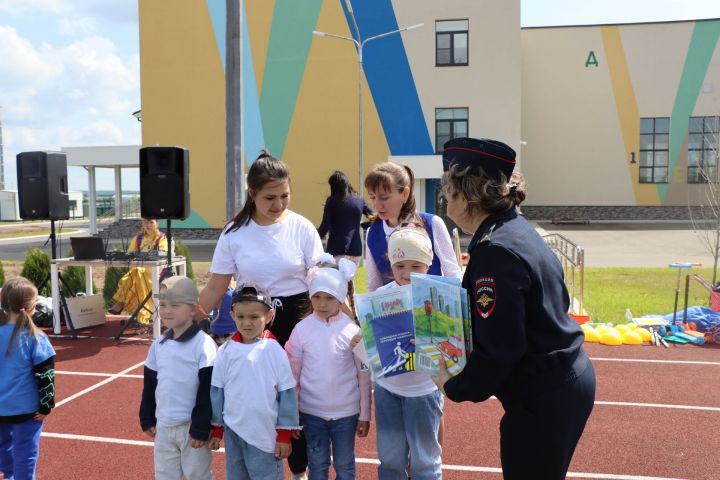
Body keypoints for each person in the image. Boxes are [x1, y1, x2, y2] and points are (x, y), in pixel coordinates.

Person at [432, 137, 596, 480]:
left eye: (449, 188)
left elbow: (502, 348)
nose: (445, 197)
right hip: (563, 378)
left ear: (468, 195)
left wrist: (455, 386)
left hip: (544, 394)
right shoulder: (514, 230)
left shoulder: (496, 251)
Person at [199, 150, 323, 479]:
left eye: (285, 196)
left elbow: (322, 279)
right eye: (270, 197)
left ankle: (299, 470)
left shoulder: (301, 227)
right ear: (251, 194)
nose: (279, 204)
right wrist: (190, 321)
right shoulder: (234, 233)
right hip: (252, 324)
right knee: (254, 397)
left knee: (295, 395)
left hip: (296, 322)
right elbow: (215, 287)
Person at [284, 254, 371, 480]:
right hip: (312, 413)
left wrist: (365, 414)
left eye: (330, 298)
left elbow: (364, 376)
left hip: (346, 414)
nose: (322, 304)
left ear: (341, 298)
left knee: (344, 466)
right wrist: (291, 414)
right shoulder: (301, 330)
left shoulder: (353, 331)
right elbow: (292, 375)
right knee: (318, 465)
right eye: (317, 297)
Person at [372, 227, 444, 480]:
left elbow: (452, 344)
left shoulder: (437, 296)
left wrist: (430, 340)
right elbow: (371, 343)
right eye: (400, 265)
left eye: (416, 265)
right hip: (387, 387)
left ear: (428, 264)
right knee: (390, 458)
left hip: (423, 389)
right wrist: (362, 338)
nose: (407, 273)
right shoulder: (380, 297)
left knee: (425, 460)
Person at [209, 283, 300, 480]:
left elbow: (287, 395)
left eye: (254, 317)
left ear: (268, 316)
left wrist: (285, 434)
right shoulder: (225, 351)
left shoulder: (274, 350)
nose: (246, 323)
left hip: (264, 435)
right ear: (232, 314)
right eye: (241, 317)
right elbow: (218, 391)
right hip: (234, 433)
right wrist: (217, 428)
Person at [139, 276, 218, 480]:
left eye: (175, 305)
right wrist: (147, 415)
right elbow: (150, 383)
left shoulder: (204, 344)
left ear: (193, 309)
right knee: (164, 475)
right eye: (163, 305)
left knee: (198, 475)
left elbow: (208, 389)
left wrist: (201, 427)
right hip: (164, 427)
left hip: (191, 428)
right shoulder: (159, 344)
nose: (166, 311)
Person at [364, 162, 461, 292]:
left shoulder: (432, 224)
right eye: (372, 197)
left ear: (405, 194)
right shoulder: (373, 233)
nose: (377, 205)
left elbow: (453, 274)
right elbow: (374, 285)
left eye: (384, 198)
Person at [0, 277, 56, 480]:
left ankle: (8, 476)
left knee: (4, 449)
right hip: (27, 411)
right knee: (25, 455)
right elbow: (46, 374)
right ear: (33, 307)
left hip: (1, 409)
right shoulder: (36, 337)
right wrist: (46, 406)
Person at [109, 218, 170, 324]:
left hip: (155, 273)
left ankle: (121, 303)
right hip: (138, 272)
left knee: (137, 274)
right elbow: (129, 254)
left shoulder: (162, 238)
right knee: (137, 274)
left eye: (151, 222)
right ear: (142, 224)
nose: (148, 225)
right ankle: (141, 316)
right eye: (146, 222)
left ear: (157, 224)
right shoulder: (138, 238)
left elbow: (162, 256)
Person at [317, 171, 372, 265]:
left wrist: (314, 238)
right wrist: (364, 225)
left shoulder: (331, 201)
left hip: (336, 249)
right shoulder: (359, 200)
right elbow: (373, 217)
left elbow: (324, 226)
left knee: (334, 279)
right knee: (349, 279)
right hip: (355, 250)